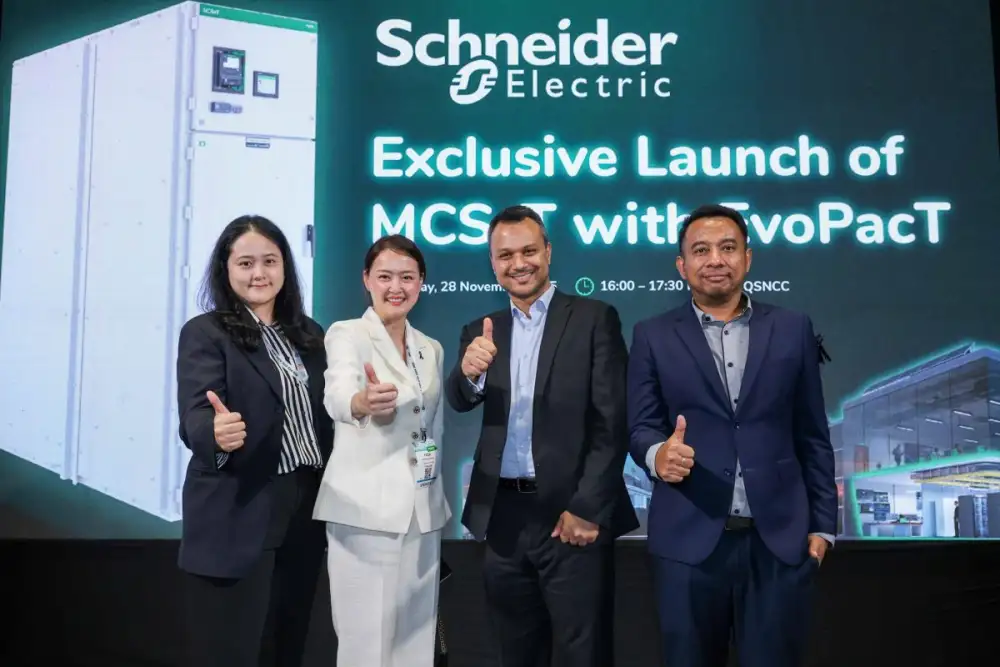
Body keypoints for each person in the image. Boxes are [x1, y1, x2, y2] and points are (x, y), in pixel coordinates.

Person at [626, 204, 837, 667]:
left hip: (778, 542)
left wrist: (823, 526)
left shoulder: (793, 328)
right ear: (682, 265)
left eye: (727, 248)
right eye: (701, 250)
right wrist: (658, 454)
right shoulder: (652, 335)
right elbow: (640, 425)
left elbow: (813, 433)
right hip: (687, 542)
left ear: (747, 257)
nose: (715, 260)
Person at [446, 205, 638, 667]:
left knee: (582, 654)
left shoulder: (594, 318)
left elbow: (613, 422)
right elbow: (459, 398)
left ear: (548, 252)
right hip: (503, 520)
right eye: (505, 255)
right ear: (493, 263)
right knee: (514, 653)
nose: (519, 263)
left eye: (529, 251)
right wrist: (469, 371)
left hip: (572, 517)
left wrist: (587, 508)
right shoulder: (482, 330)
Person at [175, 214, 332, 667]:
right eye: (245, 263)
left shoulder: (309, 333)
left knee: (287, 641)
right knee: (233, 647)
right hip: (240, 502)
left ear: (285, 267)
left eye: (269, 261)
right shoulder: (206, 332)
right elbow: (196, 413)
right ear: (225, 269)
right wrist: (214, 433)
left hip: (305, 505)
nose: (259, 273)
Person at [314, 234, 451, 667]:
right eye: (385, 276)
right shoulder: (348, 334)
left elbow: (434, 428)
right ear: (367, 280)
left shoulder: (430, 348)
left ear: (421, 282)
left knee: (415, 640)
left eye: (407, 277)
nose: (396, 287)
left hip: (422, 513)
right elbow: (338, 392)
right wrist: (361, 402)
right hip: (365, 512)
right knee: (365, 644)